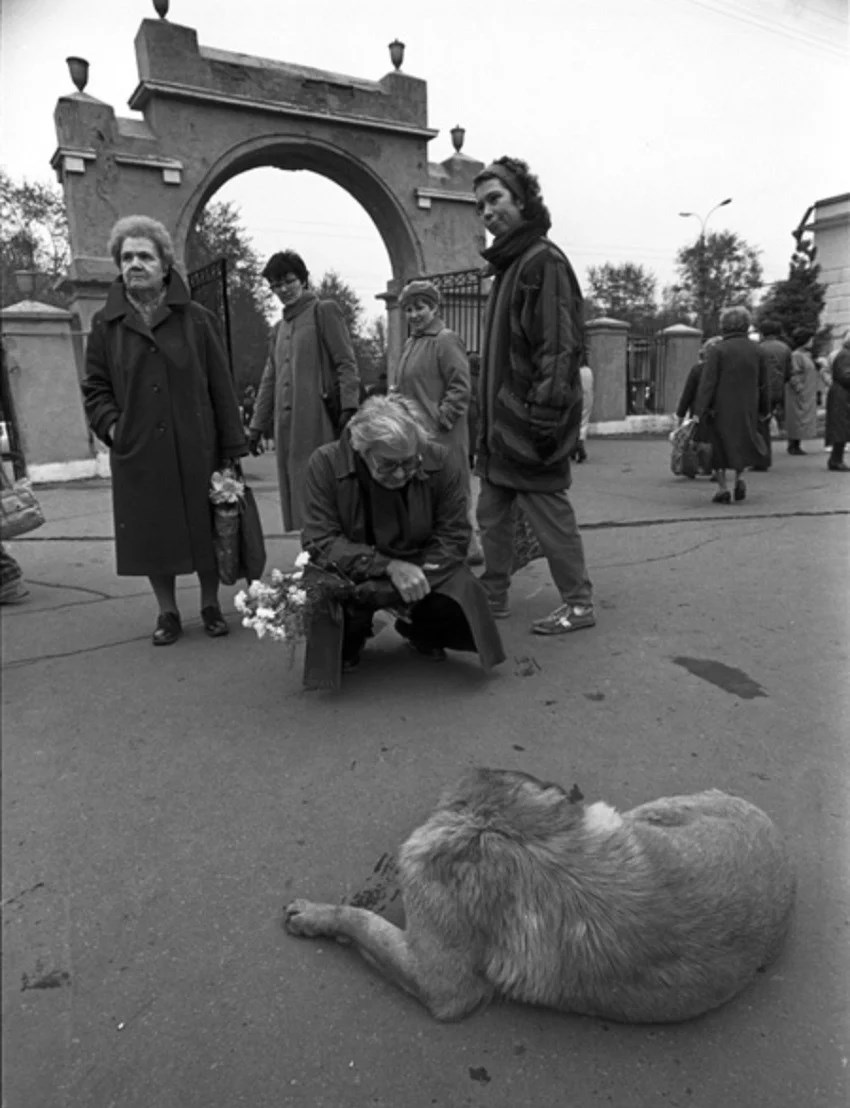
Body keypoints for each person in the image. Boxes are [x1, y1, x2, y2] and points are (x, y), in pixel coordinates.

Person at [82, 215, 247, 645]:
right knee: (154, 532)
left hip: (199, 445)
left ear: (164, 264)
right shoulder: (106, 324)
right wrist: (115, 428)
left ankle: (210, 604)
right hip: (140, 450)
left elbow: (220, 385)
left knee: (209, 525)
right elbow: (95, 387)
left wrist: (230, 447)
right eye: (127, 256)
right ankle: (168, 612)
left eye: (144, 256)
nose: (134, 264)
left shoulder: (196, 319)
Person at [300, 394, 505, 688]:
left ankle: (421, 630)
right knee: (330, 603)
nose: (399, 474)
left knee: (459, 595)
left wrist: (410, 575)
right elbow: (319, 541)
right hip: (355, 571)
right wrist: (386, 568)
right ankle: (353, 638)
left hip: (422, 566)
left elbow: (454, 535)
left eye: (409, 463)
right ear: (362, 450)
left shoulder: (441, 459)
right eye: (387, 464)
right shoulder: (325, 463)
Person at [471, 155, 594, 635]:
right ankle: (493, 594)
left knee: (549, 511)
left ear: (522, 200)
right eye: (480, 205)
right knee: (492, 512)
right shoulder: (511, 263)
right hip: (501, 426)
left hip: (528, 423)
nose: (487, 212)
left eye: (495, 199)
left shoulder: (543, 260)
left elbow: (559, 346)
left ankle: (579, 604)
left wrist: (543, 417)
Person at [247, 250, 360, 532]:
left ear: (304, 279)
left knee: (322, 488)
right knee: (297, 495)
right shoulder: (278, 329)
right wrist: (256, 427)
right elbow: (269, 380)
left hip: (319, 419)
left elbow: (346, 362)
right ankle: (310, 554)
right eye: (276, 285)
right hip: (287, 427)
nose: (283, 289)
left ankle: (331, 557)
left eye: (288, 281)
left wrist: (349, 407)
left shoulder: (324, 311)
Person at [394, 278, 482, 564]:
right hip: (417, 434)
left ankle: (467, 550)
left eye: (420, 307)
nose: (414, 315)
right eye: (408, 309)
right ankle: (444, 550)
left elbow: (460, 386)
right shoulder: (411, 343)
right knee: (427, 494)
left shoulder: (445, 339)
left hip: (443, 433)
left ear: (433, 308)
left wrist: (442, 419)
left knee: (452, 492)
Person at [693, 306, 769, 504]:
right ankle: (739, 479)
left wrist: (699, 410)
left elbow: (708, 383)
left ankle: (722, 488)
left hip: (720, 407)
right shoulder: (758, 350)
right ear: (746, 324)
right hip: (748, 406)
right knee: (741, 443)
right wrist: (765, 408)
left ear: (724, 325)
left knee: (718, 447)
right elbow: (763, 383)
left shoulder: (718, 350)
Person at [673, 337, 719, 478]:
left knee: (697, 440)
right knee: (716, 440)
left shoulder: (697, 370)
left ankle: (695, 466)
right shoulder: (725, 371)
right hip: (719, 411)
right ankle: (716, 469)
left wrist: (680, 415)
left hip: (699, 411)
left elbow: (688, 394)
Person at [757, 319, 793, 468]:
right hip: (778, 389)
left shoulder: (758, 348)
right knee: (766, 420)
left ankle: (761, 458)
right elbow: (789, 373)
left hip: (761, 390)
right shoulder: (785, 348)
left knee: (759, 424)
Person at [785, 329, 819, 455]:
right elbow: (793, 373)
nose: (812, 342)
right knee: (797, 417)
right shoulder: (797, 356)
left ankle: (796, 444)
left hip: (805, 392)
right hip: (799, 392)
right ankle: (793, 445)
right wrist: (799, 388)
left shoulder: (805, 355)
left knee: (800, 417)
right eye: (811, 339)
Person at [824, 330, 850, 472]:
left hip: (842, 394)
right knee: (841, 427)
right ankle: (836, 460)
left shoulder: (844, 354)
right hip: (841, 395)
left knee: (842, 427)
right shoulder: (845, 355)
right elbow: (845, 375)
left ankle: (836, 459)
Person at [571, 360, 594, 463]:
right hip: (588, 397)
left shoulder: (574, 371)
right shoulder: (589, 371)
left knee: (573, 422)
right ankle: (579, 446)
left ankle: (575, 448)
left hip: (575, 397)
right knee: (583, 422)